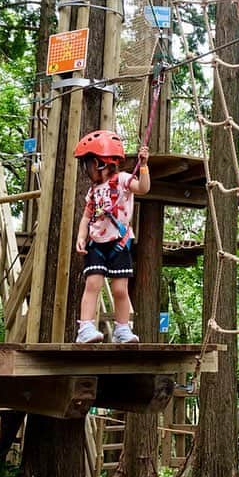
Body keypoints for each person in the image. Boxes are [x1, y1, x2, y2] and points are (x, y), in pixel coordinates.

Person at [74, 130, 150, 344]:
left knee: (119, 289)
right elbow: (86, 216)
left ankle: (122, 329)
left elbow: (143, 188)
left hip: (118, 243)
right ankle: (86, 328)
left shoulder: (124, 180)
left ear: (99, 163)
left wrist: (143, 167)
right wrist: (81, 236)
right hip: (96, 244)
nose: (86, 169)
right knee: (93, 285)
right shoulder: (93, 191)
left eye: (88, 163)